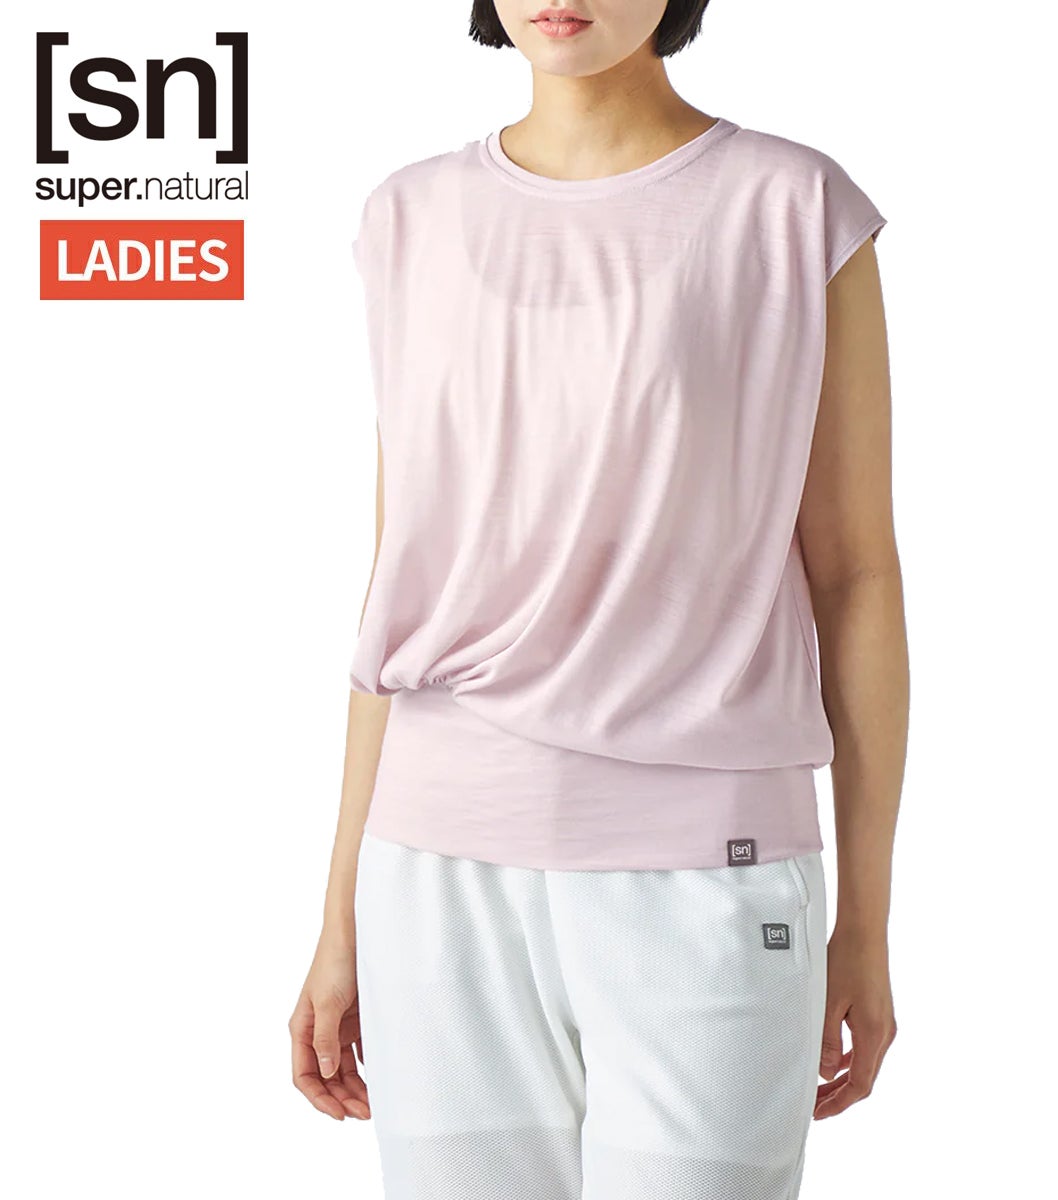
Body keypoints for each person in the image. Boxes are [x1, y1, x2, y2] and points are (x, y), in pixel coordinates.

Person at [289, 2, 907, 1196]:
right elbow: (403, 585)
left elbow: (856, 575)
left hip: (709, 870)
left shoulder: (792, 208)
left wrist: (868, 925)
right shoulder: (405, 217)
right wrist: (341, 914)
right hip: (434, 870)